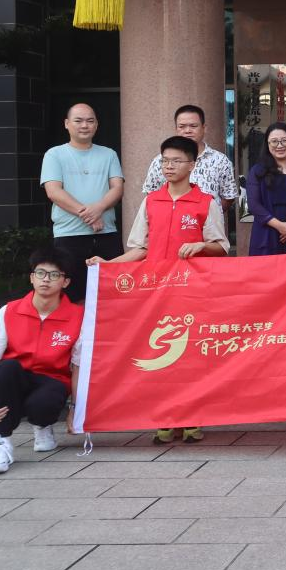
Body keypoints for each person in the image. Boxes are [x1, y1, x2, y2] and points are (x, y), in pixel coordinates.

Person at [88, 135, 230, 445]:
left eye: (176, 160)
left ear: (192, 165)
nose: (169, 166)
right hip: (155, 294)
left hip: (191, 293)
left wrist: (201, 245)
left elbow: (222, 246)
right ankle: (165, 419)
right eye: (165, 160)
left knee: (190, 357)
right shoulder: (151, 201)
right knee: (160, 356)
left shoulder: (205, 202)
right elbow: (139, 249)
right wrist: (108, 265)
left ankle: (192, 418)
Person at [0, 247, 83, 474]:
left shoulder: (78, 316)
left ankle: (42, 426)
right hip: (16, 377)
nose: (46, 280)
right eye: (40, 273)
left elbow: (77, 367)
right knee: (6, 368)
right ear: (31, 278)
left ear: (65, 282)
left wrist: (75, 409)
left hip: (52, 380)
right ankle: (2, 443)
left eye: (54, 275)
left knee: (45, 401)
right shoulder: (9, 311)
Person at [39, 103, 125, 303]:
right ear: (66, 124)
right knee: (71, 296)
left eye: (90, 121)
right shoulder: (54, 154)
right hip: (69, 235)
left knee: (113, 295)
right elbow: (53, 191)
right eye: (78, 121)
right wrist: (90, 215)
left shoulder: (109, 154)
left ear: (96, 125)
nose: (85, 125)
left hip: (106, 233)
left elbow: (117, 188)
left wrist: (99, 208)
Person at [141, 104, 238, 209]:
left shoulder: (220, 160)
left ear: (204, 128)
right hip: (169, 219)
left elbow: (228, 197)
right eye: (182, 126)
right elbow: (151, 194)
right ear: (176, 129)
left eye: (193, 126)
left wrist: (209, 214)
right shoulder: (160, 161)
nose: (187, 131)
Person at [246, 122, 286, 256]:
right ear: (267, 145)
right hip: (266, 235)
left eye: (284, 140)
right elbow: (254, 205)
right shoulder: (257, 171)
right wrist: (281, 227)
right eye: (274, 141)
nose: (279, 145)